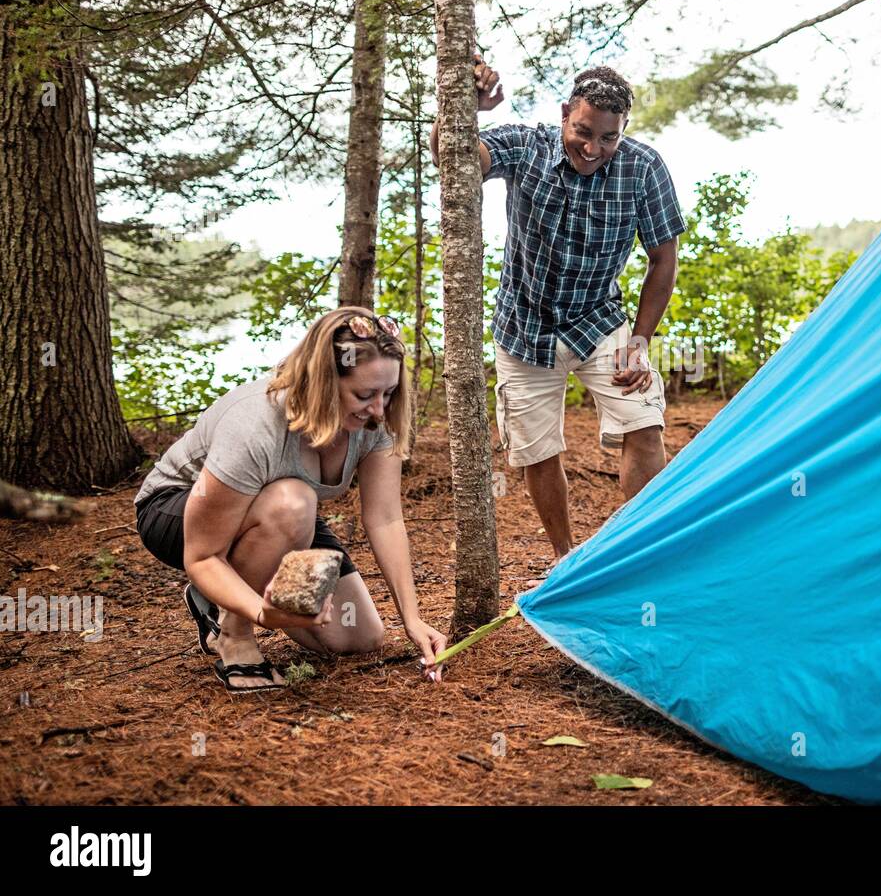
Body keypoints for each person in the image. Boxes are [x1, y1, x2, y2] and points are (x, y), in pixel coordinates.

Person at [430, 60, 686, 559]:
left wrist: (640, 340)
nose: (593, 150)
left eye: (608, 138)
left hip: (600, 323)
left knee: (642, 420)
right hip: (524, 329)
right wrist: (464, 114)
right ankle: (566, 559)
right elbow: (452, 159)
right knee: (538, 450)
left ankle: (642, 553)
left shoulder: (645, 167)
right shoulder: (528, 144)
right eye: (583, 132)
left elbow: (663, 259)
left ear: (624, 130)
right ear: (566, 113)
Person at [134, 307, 448, 692]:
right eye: (365, 394)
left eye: (389, 393)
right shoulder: (256, 424)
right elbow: (202, 555)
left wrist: (412, 618)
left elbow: (384, 519)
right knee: (295, 499)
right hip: (178, 512)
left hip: (282, 514)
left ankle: (214, 596)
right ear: (323, 381)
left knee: (357, 638)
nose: (379, 410)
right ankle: (233, 635)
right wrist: (260, 613)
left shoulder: (374, 421)